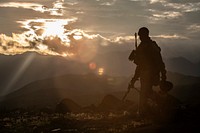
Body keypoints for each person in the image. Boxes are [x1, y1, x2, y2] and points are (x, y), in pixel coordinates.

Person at [129, 27, 167, 117]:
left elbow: (159, 60)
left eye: (140, 35)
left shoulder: (150, 46)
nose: (139, 38)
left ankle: (144, 112)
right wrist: (134, 78)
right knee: (147, 92)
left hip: (150, 73)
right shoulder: (142, 46)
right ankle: (156, 106)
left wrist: (163, 74)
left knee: (145, 93)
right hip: (145, 73)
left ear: (145, 35)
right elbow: (140, 65)